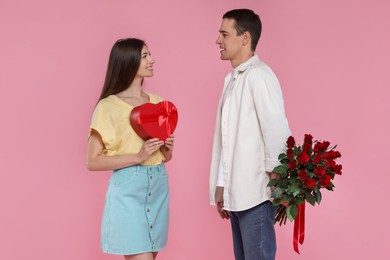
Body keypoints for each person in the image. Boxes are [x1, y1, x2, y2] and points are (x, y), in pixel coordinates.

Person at [209, 9, 291, 260]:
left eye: (224, 34)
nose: (217, 41)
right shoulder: (233, 79)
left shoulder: (259, 76)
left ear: (245, 38)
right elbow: (227, 140)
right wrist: (222, 186)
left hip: (255, 195)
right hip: (238, 195)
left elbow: (276, 128)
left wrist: (279, 184)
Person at [86, 38, 174, 260]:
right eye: (145, 56)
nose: (152, 60)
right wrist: (137, 156)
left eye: (149, 54)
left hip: (159, 185)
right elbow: (92, 161)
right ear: (128, 61)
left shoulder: (158, 102)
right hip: (128, 191)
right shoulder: (108, 107)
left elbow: (165, 156)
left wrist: (167, 149)